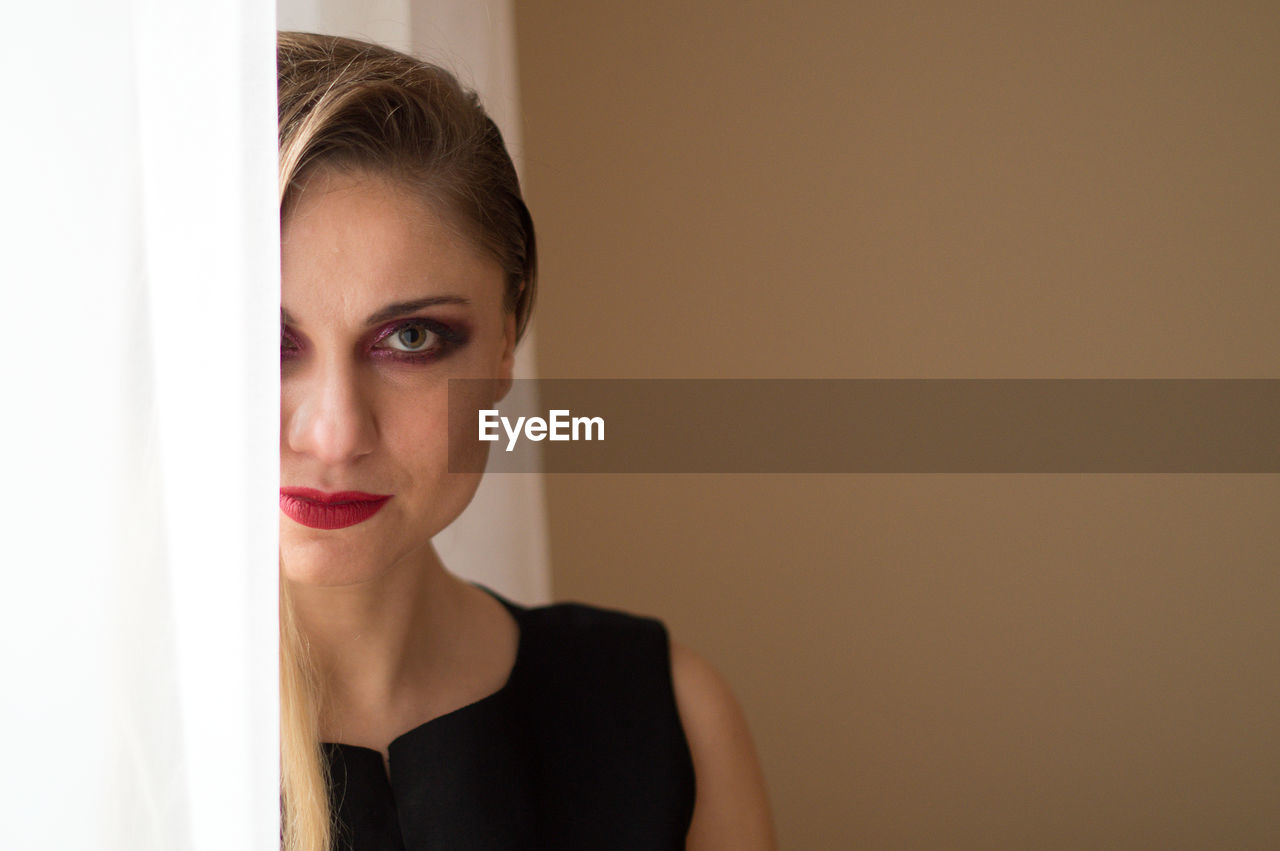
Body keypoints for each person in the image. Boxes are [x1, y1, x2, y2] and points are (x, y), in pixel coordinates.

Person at [277, 31, 775, 850]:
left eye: (410, 339)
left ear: (505, 346)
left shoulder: (668, 715)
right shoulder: (77, 737)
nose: (333, 431)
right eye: (257, 341)